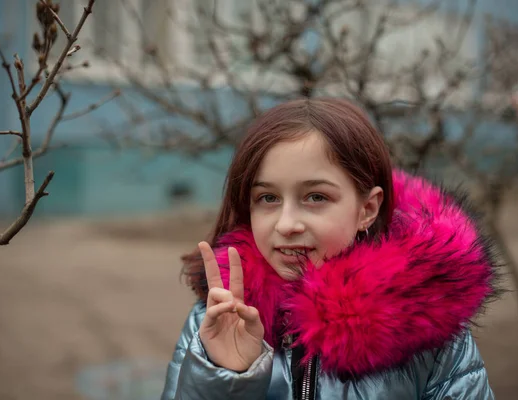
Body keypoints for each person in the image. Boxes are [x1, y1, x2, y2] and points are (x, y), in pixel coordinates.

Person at [161, 98, 500, 400]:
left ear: (366, 210)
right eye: (268, 198)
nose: (286, 224)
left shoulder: (430, 333)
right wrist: (226, 379)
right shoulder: (218, 319)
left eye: (316, 197)